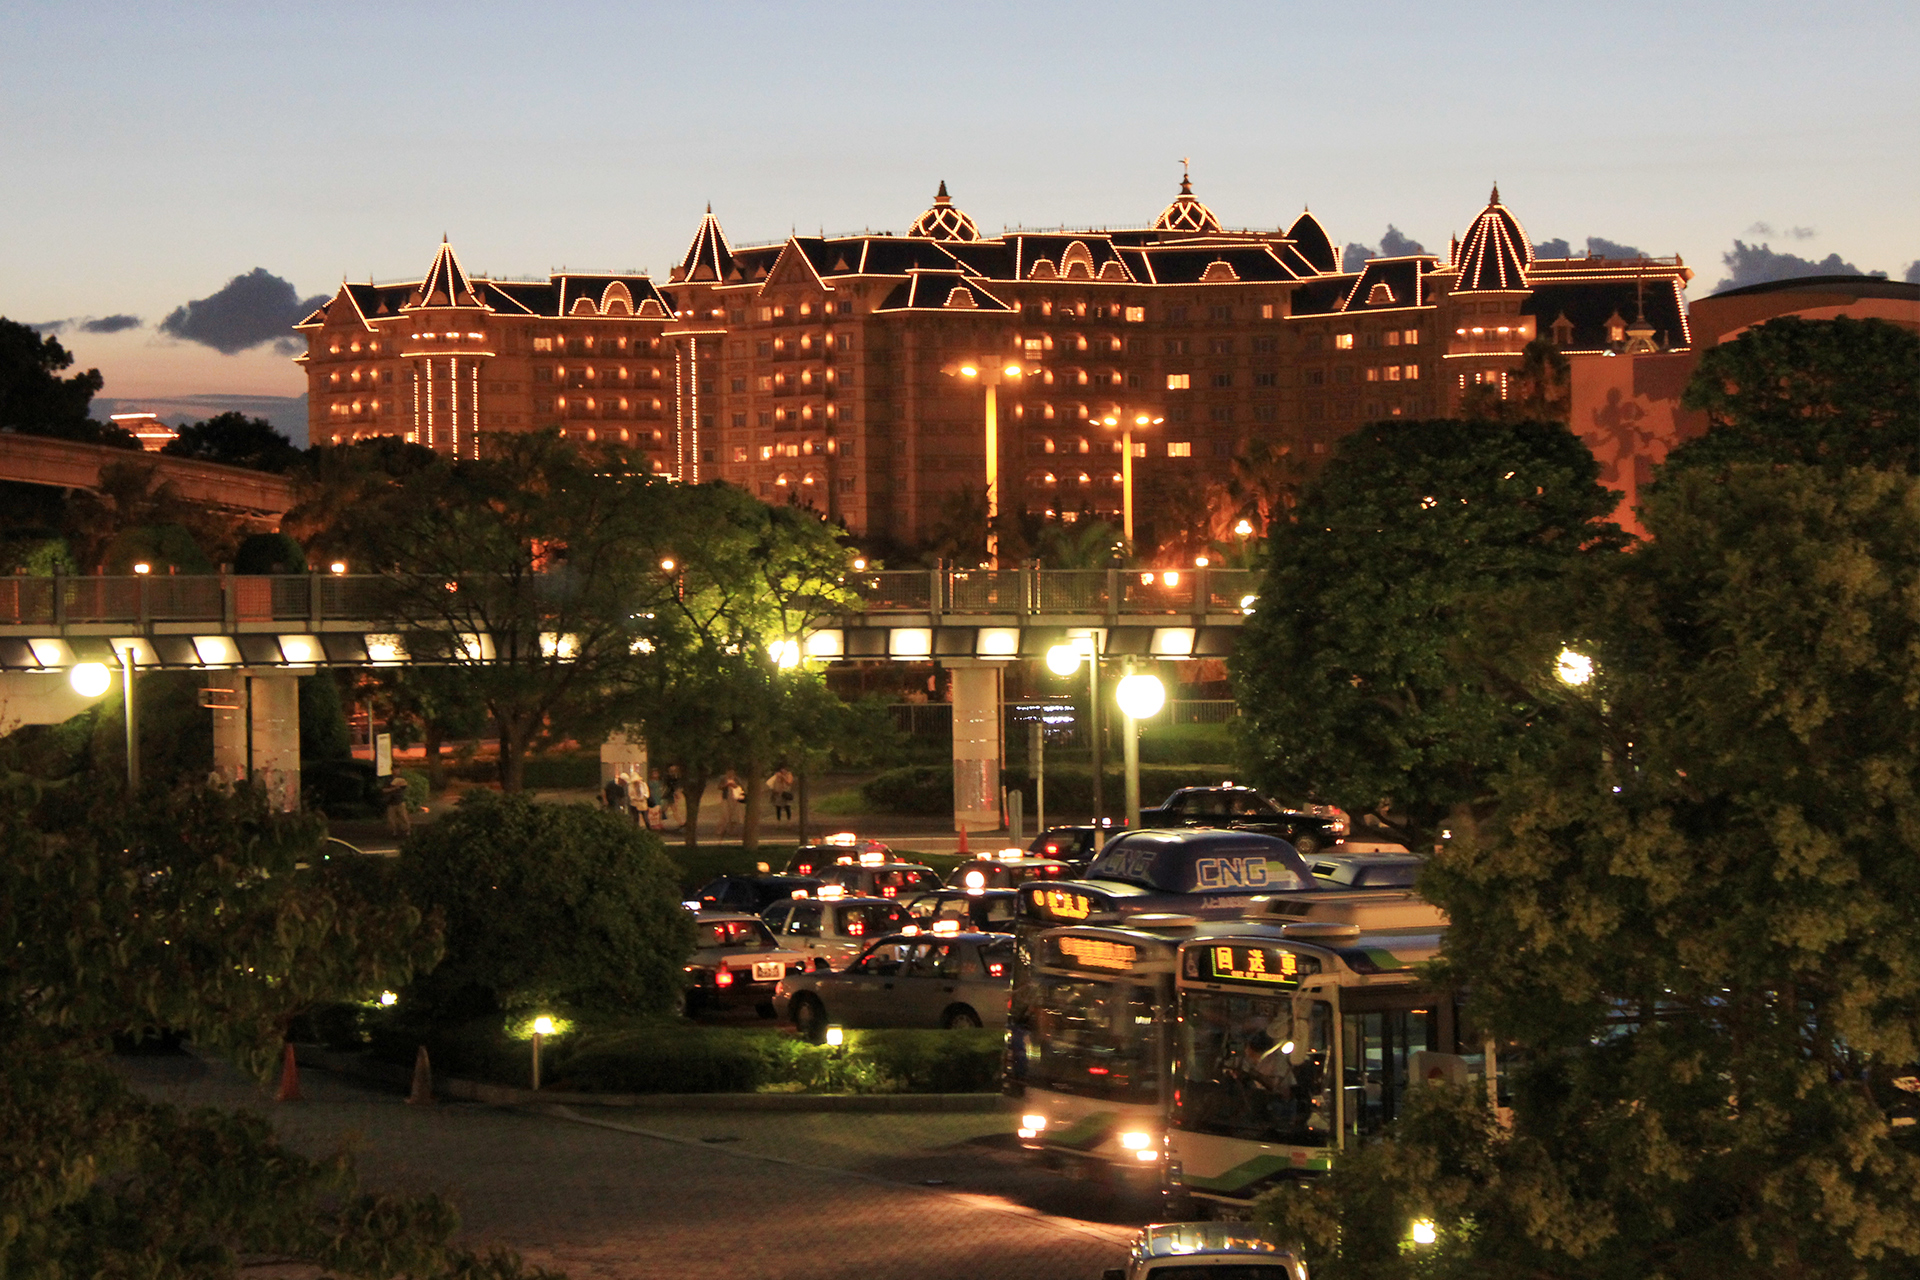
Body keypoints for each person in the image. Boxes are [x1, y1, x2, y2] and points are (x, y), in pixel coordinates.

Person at [719, 769, 743, 836]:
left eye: (732, 773)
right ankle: (725, 830)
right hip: (726, 798)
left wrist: (734, 785)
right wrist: (726, 785)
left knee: (734, 816)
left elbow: (741, 788)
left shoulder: (736, 779)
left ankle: (733, 831)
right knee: (726, 815)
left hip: (735, 799)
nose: (730, 774)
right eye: (728, 773)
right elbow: (720, 787)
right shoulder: (724, 779)